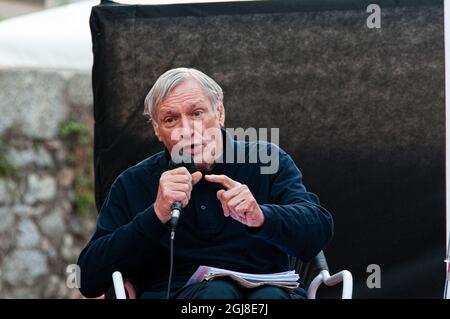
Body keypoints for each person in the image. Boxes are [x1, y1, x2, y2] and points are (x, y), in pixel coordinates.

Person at [77, 67, 334, 299]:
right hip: (183, 295)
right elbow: (88, 279)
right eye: (170, 119)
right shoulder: (135, 182)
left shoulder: (266, 160)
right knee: (217, 294)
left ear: (219, 112)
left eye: (197, 113)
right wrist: (155, 215)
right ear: (157, 130)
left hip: (269, 292)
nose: (187, 130)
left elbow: (318, 232)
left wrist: (262, 216)